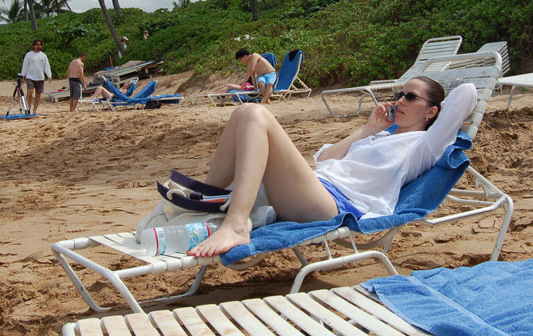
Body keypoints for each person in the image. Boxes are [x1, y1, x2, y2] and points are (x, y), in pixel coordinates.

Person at [188, 77, 477, 257]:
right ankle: (202, 199)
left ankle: (236, 225)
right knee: (242, 113)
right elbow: (324, 159)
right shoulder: (379, 136)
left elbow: (466, 93)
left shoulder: (424, 146)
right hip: (314, 186)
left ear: (431, 111)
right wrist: (368, 129)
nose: (400, 100)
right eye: (400, 94)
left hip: (332, 204)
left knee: (255, 113)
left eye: (410, 97)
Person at [20, 39, 52, 114]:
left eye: (40, 44)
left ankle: (35, 110)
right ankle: (28, 108)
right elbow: (25, 66)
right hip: (30, 76)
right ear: (34, 46)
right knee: (30, 92)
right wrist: (22, 76)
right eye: (37, 44)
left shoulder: (43, 55)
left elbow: (47, 66)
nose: (39, 46)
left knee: (38, 94)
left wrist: (49, 75)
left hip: (40, 77)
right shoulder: (29, 55)